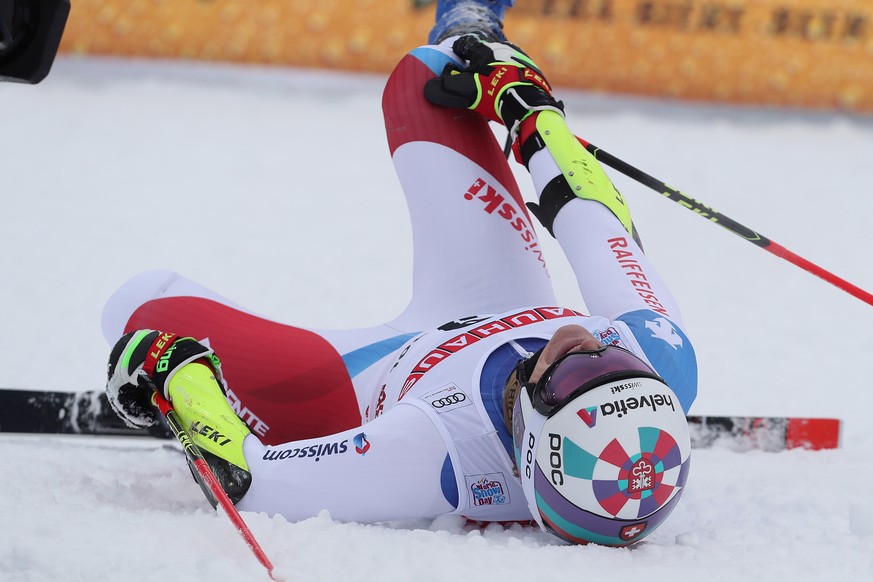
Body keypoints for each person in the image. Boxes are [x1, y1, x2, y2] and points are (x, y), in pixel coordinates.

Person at [103, 0, 698, 546]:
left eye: (570, 381)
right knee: (434, 76)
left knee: (142, 304)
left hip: (367, 377)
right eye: (618, 366)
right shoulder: (663, 354)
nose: (583, 342)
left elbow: (246, 484)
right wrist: (531, 115)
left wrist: (180, 376)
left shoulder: (432, 455)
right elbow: (596, 227)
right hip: (499, 297)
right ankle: (473, 25)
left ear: (528, 433)